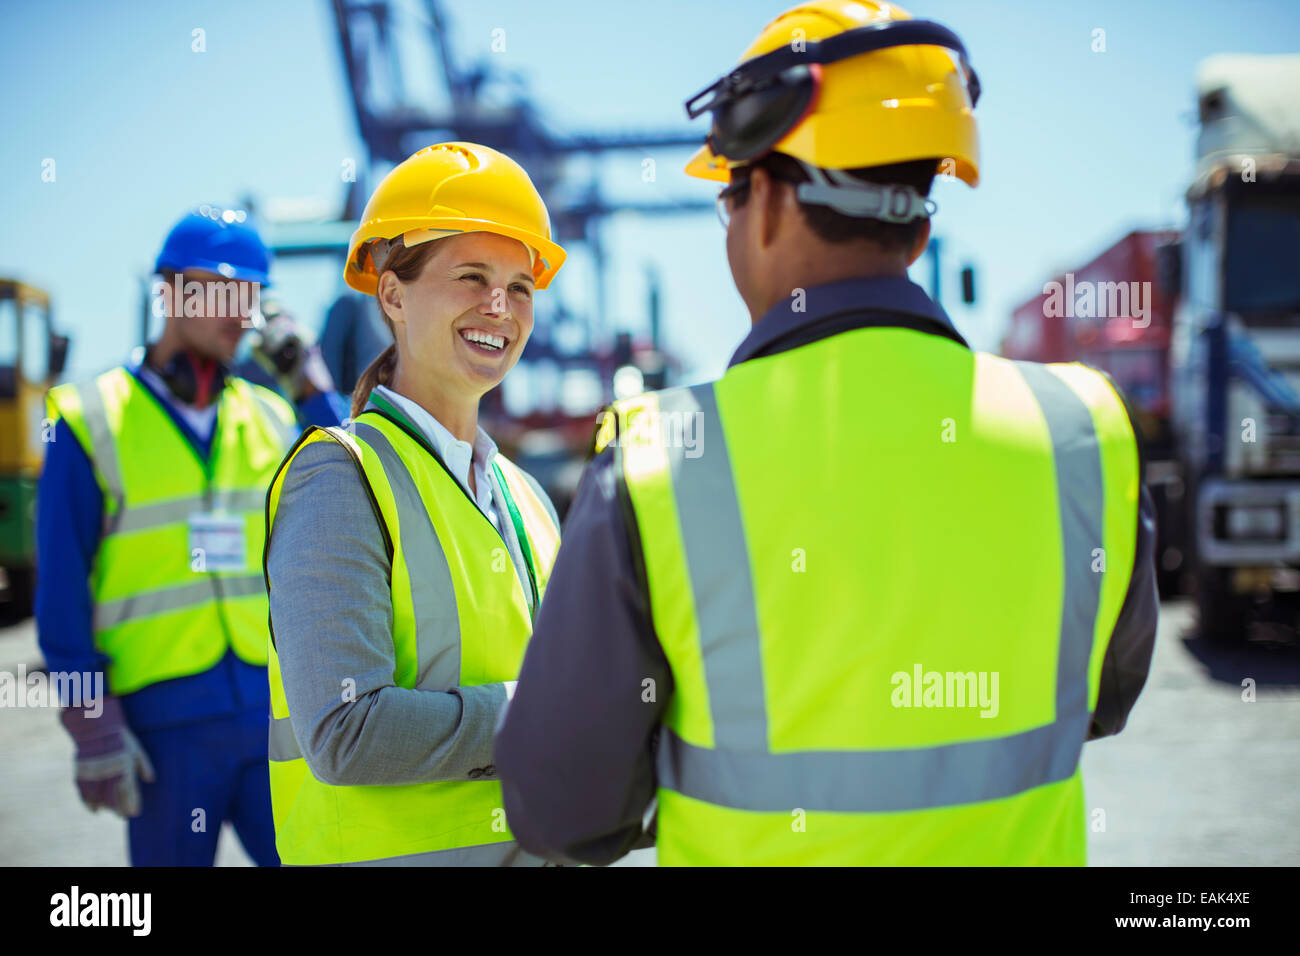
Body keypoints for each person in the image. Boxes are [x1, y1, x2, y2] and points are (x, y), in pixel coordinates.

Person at [495, 0, 1159, 866]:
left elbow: (563, 812)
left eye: (728, 198)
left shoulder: (660, 458)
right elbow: (1100, 701)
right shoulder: (1083, 429)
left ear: (764, 202)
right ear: (920, 226)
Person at [262, 141, 565, 866]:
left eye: (521, 287)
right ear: (393, 296)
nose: (500, 306)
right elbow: (346, 732)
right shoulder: (339, 478)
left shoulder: (528, 500)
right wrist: (550, 715)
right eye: (471, 277)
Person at [38, 206, 346, 866]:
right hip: (161, 728)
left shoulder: (270, 414)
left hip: (273, 720)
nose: (243, 315)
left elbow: (360, 485)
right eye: (225, 293)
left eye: (255, 298)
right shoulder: (90, 419)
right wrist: (91, 723)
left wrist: (311, 385)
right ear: (171, 292)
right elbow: (61, 591)